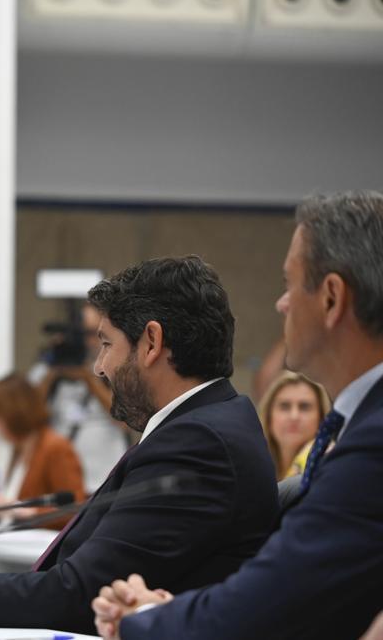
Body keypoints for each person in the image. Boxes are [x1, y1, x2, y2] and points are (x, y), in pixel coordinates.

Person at [0, 256, 278, 634]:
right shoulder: (205, 426)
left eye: (106, 345)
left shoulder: (199, 442)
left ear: (152, 343)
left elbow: (76, 593)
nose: (99, 368)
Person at [92, 191, 383, 640]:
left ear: (331, 298)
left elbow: (278, 599)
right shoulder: (361, 426)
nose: (281, 304)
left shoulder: (374, 439)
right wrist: (175, 613)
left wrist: (146, 621)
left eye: (289, 285)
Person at [30, 303, 129, 491]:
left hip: (105, 477)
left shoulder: (117, 367)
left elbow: (125, 421)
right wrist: (51, 376)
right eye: (82, 334)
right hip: (62, 480)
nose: (88, 341)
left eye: (94, 333)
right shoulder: (46, 371)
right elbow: (28, 422)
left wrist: (89, 379)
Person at [0, 373, 84, 531]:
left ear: (14, 413)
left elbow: (73, 510)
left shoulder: (56, 447)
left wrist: (15, 508)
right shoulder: (20, 449)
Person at [257, 371, 329, 480]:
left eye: (304, 407)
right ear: (268, 416)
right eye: (284, 406)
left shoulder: (329, 462)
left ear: (321, 417)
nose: (294, 416)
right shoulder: (252, 468)